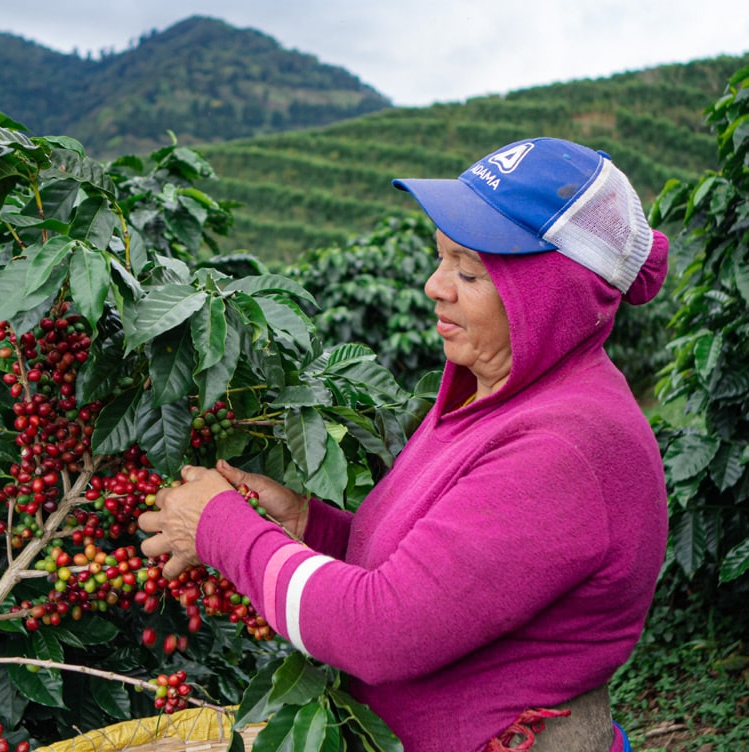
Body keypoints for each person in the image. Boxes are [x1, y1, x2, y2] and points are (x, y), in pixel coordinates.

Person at [138, 137, 670, 752]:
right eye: (441, 258)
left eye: (468, 271)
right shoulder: (494, 395)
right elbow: (435, 572)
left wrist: (221, 529)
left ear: (548, 297)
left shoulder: (566, 446)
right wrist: (309, 525)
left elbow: (382, 631)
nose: (434, 285)